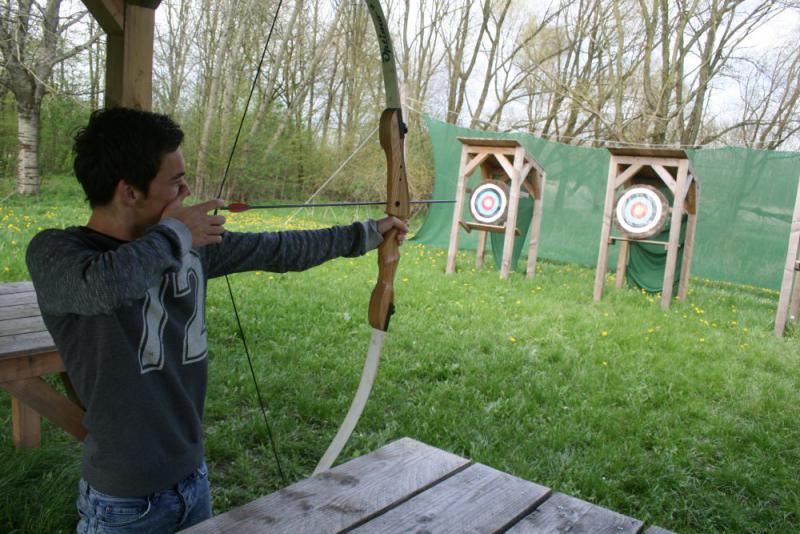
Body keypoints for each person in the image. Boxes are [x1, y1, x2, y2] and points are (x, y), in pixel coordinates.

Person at [25, 107, 408, 533]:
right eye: (175, 181)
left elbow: (277, 249)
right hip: (124, 502)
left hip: (192, 478)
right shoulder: (59, 254)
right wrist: (176, 234)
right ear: (129, 191)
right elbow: (106, 286)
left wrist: (368, 233)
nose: (187, 189)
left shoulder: (190, 246)